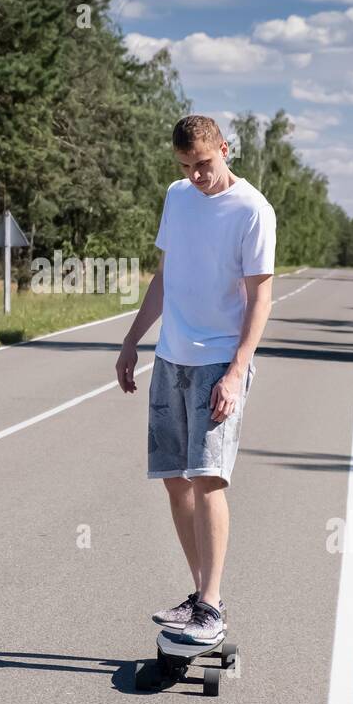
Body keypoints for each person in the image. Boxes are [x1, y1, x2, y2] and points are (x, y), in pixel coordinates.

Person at [114, 114, 276, 644]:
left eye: (203, 164)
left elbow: (260, 297)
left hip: (218, 360)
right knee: (174, 480)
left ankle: (209, 605)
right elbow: (167, 274)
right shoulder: (177, 196)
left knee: (208, 478)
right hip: (171, 357)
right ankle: (204, 596)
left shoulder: (253, 210)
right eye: (185, 166)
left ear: (225, 149)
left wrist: (236, 371)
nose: (196, 176)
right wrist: (133, 338)